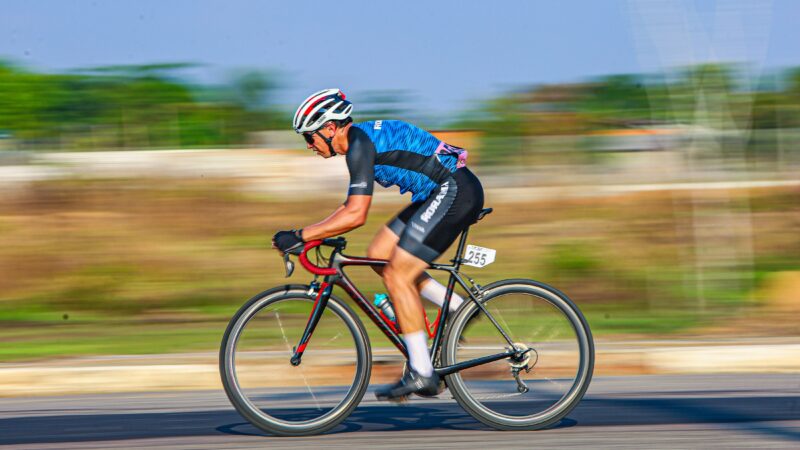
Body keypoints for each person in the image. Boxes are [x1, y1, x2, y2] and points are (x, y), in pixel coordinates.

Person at [272, 88, 484, 400]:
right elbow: (348, 208)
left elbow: (356, 215)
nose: (309, 146)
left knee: (399, 274)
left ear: (330, 128)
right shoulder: (358, 142)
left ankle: (423, 372)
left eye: (310, 137)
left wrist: (302, 235)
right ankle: (455, 306)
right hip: (442, 191)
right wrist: (310, 232)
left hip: (454, 191)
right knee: (379, 255)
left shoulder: (359, 145)